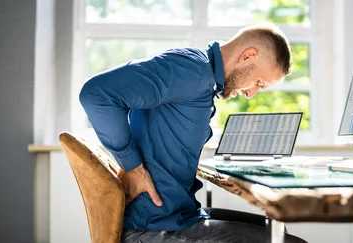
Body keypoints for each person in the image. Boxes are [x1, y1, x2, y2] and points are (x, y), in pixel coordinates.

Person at [79, 22, 307, 243]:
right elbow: (96, 94)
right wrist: (134, 167)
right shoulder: (191, 70)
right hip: (152, 229)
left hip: (179, 216)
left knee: (277, 229)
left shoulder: (200, 74)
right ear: (247, 56)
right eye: (258, 82)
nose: (251, 94)